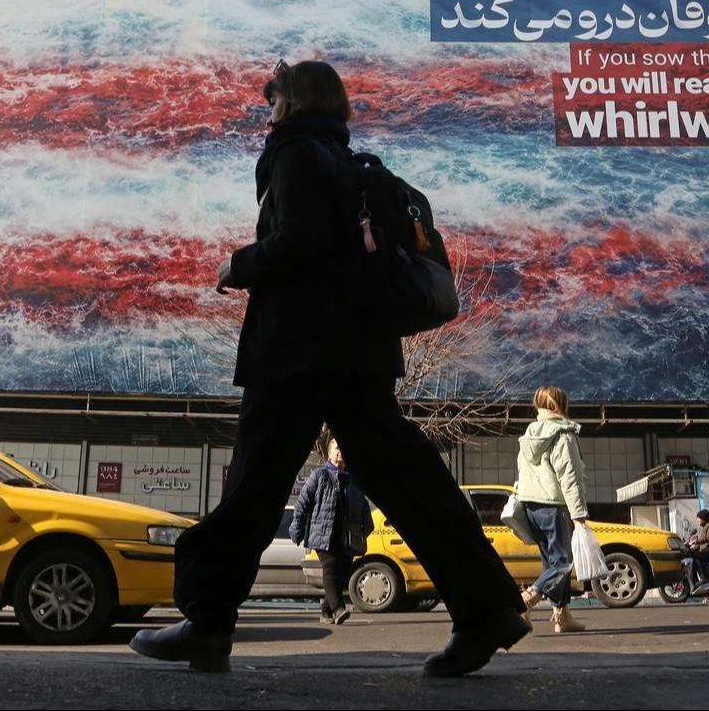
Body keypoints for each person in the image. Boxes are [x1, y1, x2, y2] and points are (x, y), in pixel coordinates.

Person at [129, 60, 527, 677]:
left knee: (255, 485)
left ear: (292, 104)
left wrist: (239, 265)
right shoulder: (346, 162)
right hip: (358, 352)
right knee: (409, 481)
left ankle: (207, 624)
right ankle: (487, 609)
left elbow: (299, 243)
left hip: (296, 351)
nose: (268, 114)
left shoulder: (295, 153)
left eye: (273, 102)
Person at [514, 386, 589, 634]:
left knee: (552, 564)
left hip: (531, 506)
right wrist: (579, 515)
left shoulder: (529, 436)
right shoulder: (562, 434)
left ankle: (562, 616)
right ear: (561, 405)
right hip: (554, 506)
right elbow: (570, 476)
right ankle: (526, 600)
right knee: (564, 563)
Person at [291, 436, 374, 625]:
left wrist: (365, 530)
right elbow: (302, 504)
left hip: (347, 537)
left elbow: (364, 508)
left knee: (342, 574)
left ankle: (326, 611)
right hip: (323, 535)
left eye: (343, 448)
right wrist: (297, 530)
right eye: (336, 448)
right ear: (329, 453)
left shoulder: (354, 481)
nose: (340, 452)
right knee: (331, 569)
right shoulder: (319, 476)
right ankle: (338, 609)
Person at [689, 509, 709, 585]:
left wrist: (695, 541)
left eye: (698, 518)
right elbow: (700, 544)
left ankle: (704, 578)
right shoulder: (703, 528)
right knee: (691, 557)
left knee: (696, 557)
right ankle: (694, 581)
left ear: (703, 518)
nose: (697, 520)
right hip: (706, 551)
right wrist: (691, 549)